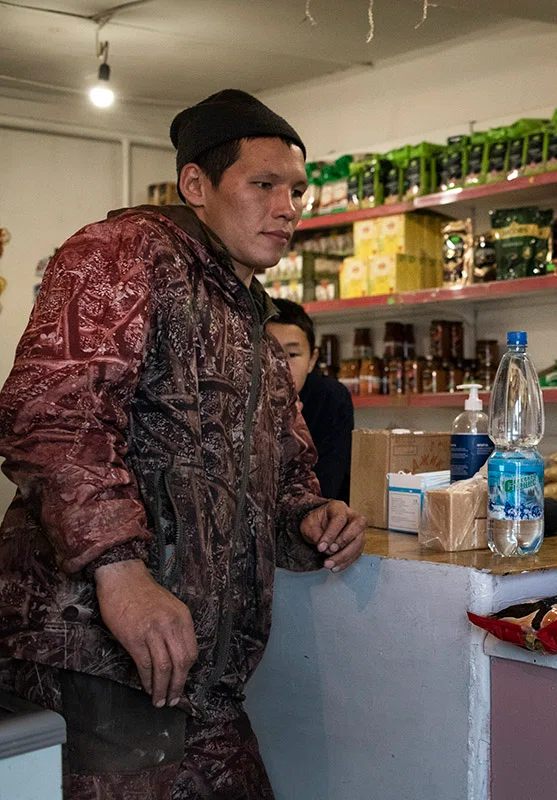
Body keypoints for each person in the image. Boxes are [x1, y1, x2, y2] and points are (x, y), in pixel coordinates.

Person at [0, 89, 366, 798]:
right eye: (263, 185)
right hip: (94, 655)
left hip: (203, 673)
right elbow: (53, 418)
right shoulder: (123, 252)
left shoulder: (252, 323)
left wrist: (308, 517)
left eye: (296, 190)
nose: (288, 208)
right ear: (196, 185)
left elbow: (284, 473)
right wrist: (119, 572)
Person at [267, 299, 354, 502]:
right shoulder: (238, 399)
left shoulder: (332, 398)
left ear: (312, 360)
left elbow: (325, 488)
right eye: (269, 352)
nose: (280, 365)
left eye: (292, 354)